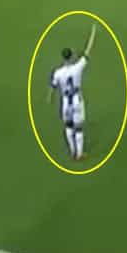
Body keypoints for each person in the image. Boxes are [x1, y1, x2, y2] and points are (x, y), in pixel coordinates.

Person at [48, 25, 97, 162]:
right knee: (79, 128)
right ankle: (79, 154)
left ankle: (72, 151)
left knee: (68, 126)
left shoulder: (58, 73)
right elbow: (87, 52)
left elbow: (53, 86)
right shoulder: (77, 68)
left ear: (63, 58)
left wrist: (50, 97)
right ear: (71, 56)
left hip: (65, 102)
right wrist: (93, 35)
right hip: (77, 101)